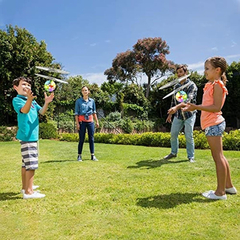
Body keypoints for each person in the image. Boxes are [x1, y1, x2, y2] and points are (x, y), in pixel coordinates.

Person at [182, 56, 237, 200]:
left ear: (217, 70)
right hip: (212, 124)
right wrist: (190, 106)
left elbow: (216, 107)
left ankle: (220, 193)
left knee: (218, 157)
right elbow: (209, 104)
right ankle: (229, 186)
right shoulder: (211, 85)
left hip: (214, 123)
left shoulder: (218, 85)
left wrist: (196, 107)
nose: (204, 71)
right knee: (220, 156)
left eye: (207, 68)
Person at [12, 76, 54, 199]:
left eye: (29, 85)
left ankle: (25, 188)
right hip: (27, 136)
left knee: (26, 164)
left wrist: (46, 103)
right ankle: (29, 192)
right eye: (24, 84)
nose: (27, 87)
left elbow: (41, 112)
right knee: (31, 164)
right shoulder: (17, 100)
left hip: (32, 135)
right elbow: (24, 111)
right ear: (16, 87)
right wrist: (29, 99)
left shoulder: (33, 101)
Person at [164, 65, 198, 162]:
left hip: (189, 115)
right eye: (177, 72)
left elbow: (188, 101)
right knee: (173, 134)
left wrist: (176, 108)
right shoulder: (177, 86)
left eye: (181, 72)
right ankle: (173, 153)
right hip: (178, 115)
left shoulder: (192, 85)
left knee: (188, 135)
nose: (179, 74)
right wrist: (170, 114)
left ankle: (190, 157)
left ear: (185, 73)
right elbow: (174, 102)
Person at [75, 86, 99, 162]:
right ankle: (79, 155)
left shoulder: (92, 101)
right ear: (82, 92)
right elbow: (76, 113)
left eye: (86, 90)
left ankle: (92, 155)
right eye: (83, 90)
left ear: (88, 92)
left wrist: (97, 121)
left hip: (90, 121)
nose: (84, 91)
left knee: (91, 139)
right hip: (82, 121)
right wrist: (77, 124)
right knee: (81, 139)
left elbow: (94, 112)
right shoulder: (78, 101)